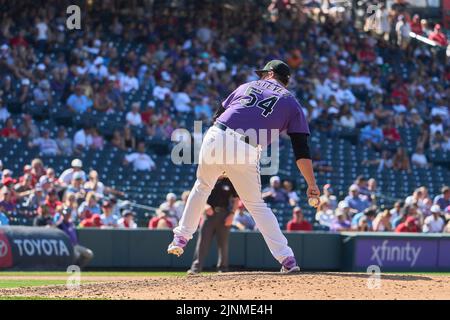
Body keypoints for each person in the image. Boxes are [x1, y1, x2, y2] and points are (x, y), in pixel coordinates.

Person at [168, 60, 320, 273]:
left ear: (269, 74)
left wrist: (221, 160)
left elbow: (218, 114)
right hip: (246, 146)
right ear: (285, 80)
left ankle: (180, 238)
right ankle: (287, 259)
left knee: (202, 186)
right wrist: (311, 183)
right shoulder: (291, 102)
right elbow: (301, 148)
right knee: (256, 206)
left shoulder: (246, 86)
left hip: (216, 133)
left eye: (263, 73)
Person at [188, 176, 238, 274]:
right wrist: (205, 206)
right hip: (209, 215)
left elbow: (236, 199)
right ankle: (195, 269)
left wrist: (232, 215)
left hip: (224, 215)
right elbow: (198, 195)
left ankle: (223, 269)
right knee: (203, 242)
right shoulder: (208, 178)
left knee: (223, 244)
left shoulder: (229, 181)